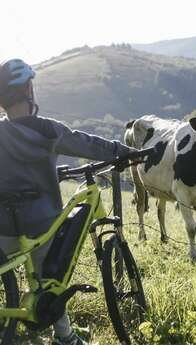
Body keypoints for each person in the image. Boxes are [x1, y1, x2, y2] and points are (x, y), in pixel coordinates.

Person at [0, 59, 132, 345]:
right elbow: (87, 144)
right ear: (28, 90)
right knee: (51, 282)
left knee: (17, 275)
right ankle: (65, 337)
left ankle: (26, 328)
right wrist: (125, 151)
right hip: (41, 224)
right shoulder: (47, 130)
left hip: (3, 227)